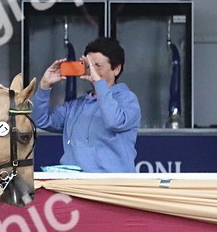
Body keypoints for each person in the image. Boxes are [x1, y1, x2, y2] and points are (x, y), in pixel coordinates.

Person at [32, 36, 140, 172]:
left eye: (98, 66)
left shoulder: (127, 99)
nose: (92, 71)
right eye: (89, 66)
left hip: (111, 186)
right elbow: (40, 120)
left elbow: (114, 121)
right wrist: (44, 86)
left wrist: (99, 84)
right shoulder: (76, 106)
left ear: (116, 69)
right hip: (74, 185)